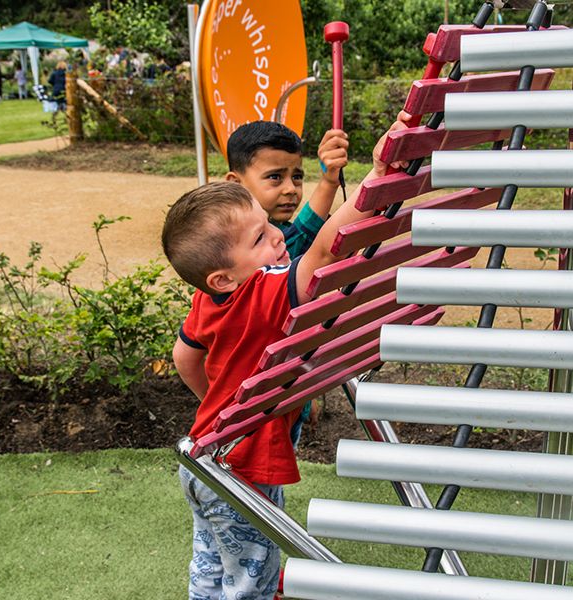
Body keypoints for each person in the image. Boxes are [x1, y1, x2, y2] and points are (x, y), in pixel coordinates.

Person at [162, 114, 410, 600]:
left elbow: (184, 357)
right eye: (260, 238)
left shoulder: (210, 299)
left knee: (212, 570)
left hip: (205, 456)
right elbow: (322, 254)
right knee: (252, 582)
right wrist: (380, 175)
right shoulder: (262, 291)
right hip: (243, 467)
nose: (278, 237)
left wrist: (226, 402)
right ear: (223, 276)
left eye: (266, 225)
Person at [225, 121, 349, 446]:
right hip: (254, 405)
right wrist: (329, 183)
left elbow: (305, 230)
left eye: (296, 176)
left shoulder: (277, 238)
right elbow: (306, 235)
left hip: (282, 398)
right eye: (275, 177)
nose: (291, 189)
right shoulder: (250, 254)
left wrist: (328, 181)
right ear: (235, 185)